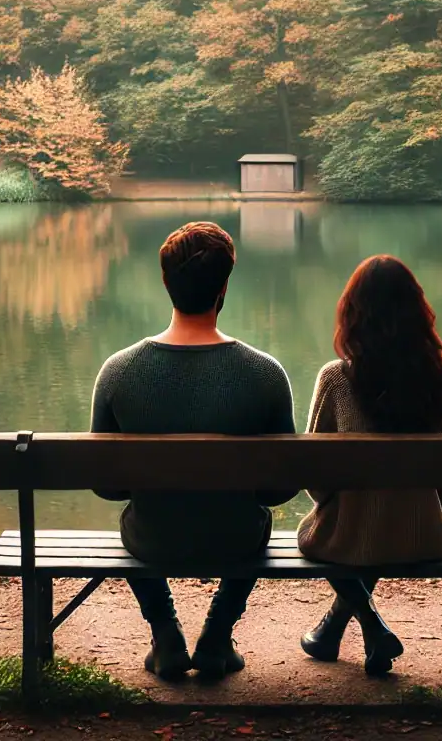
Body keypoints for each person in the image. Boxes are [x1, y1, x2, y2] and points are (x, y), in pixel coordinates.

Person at [90, 221, 297, 680]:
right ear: (225, 287)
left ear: (166, 283)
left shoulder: (118, 371)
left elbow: (106, 487)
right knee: (255, 519)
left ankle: (165, 634)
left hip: (152, 537)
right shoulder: (265, 374)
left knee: (134, 517)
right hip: (236, 537)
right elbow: (279, 491)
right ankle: (217, 634)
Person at [296, 254, 442, 676]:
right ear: (416, 315)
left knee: (331, 534)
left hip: (352, 537)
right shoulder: (436, 381)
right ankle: (332, 631)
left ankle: (371, 625)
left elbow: (316, 482)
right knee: (369, 529)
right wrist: (436, 520)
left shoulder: (336, 379)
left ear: (352, 315)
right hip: (426, 536)